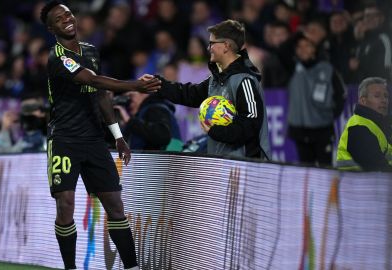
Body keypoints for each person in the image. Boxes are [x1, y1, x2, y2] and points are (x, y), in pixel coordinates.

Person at [40, 1, 161, 270]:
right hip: (65, 140)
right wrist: (136, 85)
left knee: (115, 204)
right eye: (60, 18)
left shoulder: (92, 51)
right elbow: (93, 81)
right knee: (66, 204)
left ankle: (132, 267)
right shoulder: (57, 57)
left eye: (69, 13)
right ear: (51, 28)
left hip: (94, 140)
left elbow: (102, 94)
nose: (67, 19)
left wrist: (117, 135)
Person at [143, 19, 270, 159]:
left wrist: (216, 131)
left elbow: (250, 123)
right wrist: (158, 83)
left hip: (246, 165)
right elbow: (189, 94)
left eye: (212, 43)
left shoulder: (245, 80)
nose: (208, 48)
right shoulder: (216, 80)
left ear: (226, 46)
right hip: (222, 161)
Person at [287, 35, 346, 167]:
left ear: (315, 48)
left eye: (307, 45)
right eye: (299, 47)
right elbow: (281, 50)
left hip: (322, 129)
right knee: (306, 171)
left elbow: (341, 95)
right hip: (300, 130)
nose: (303, 49)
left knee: (325, 168)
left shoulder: (327, 68)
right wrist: (300, 32)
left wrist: (331, 115)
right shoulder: (291, 68)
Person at [336, 77, 392, 172]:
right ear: (363, 101)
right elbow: (376, 167)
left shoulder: (381, 125)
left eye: (386, 96)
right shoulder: (358, 128)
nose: (384, 100)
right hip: (358, 185)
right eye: (377, 96)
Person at [114, 92, 183, 151]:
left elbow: (162, 135)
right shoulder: (142, 113)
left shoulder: (156, 108)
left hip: (164, 162)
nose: (128, 102)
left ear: (145, 93)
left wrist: (130, 121)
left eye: (130, 96)